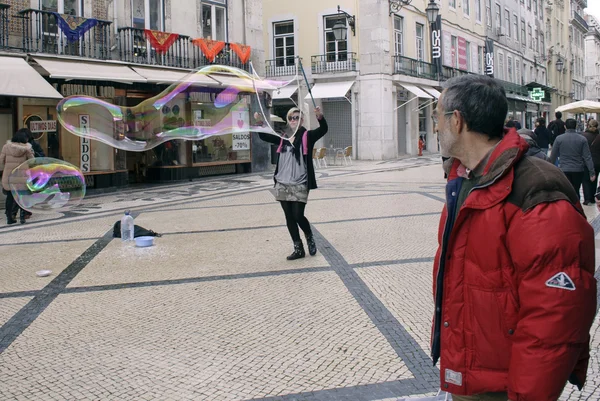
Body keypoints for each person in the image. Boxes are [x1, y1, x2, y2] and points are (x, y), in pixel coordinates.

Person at [432, 74, 596, 401]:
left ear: (458, 121)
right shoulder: (464, 178)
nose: (435, 127)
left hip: (505, 386)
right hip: (471, 371)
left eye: (437, 117)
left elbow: (554, 316)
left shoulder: (534, 189)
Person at [257, 107, 328, 260]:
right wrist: (259, 123)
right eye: (291, 118)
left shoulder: (307, 136)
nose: (293, 120)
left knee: (298, 215)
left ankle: (309, 236)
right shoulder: (283, 137)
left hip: (300, 181)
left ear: (301, 120)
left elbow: (323, 130)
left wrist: (320, 117)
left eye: (296, 117)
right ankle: (298, 249)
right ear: (288, 121)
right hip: (283, 182)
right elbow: (264, 136)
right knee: (289, 216)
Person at [549, 118, 595, 199]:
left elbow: (553, 156)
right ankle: (576, 205)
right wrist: (592, 172)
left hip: (564, 169)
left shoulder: (559, 139)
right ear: (576, 126)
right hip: (578, 169)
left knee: (566, 191)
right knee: (576, 190)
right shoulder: (582, 139)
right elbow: (587, 157)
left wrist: (549, 170)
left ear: (565, 126)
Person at [0, 129, 34, 225]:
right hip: (22, 175)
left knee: (10, 197)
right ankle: (22, 217)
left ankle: (9, 218)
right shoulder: (27, 149)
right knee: (22, 196)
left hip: (9, 175)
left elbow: (1, 160)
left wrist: (7, 167)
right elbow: (32, 161)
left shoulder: (6, 147)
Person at [582, 119, 600, 205]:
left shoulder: (583, 136)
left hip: (585, 161)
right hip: (597, 162)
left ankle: (587, 198)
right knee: (594, 179)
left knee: (585, 180)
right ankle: (593, 197)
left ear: (588, 126)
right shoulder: (599, 136)